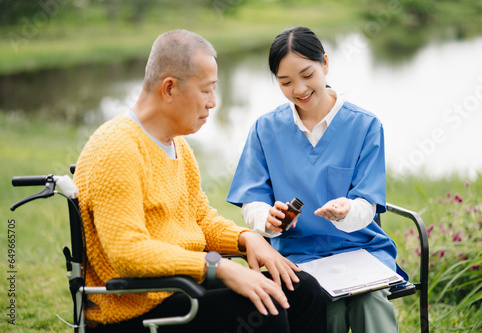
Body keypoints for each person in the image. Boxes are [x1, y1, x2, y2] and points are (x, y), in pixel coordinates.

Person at [73, 29, 326, 333]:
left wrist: (246, 239)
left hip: (181, 290)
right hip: (135, 309)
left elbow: (201, 220)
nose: (213, 102)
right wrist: (220, 268)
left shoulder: (178, 146)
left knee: (303, 290)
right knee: (265, 310)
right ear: (169, 89)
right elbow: (128, 252)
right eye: (206, 90)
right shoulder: (116, 148)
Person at [226, 26, 407, 333]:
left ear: (325, 63)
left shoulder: (364, 126)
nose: (299, 89)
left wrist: (347, 211)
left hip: (360, 250)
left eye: (307, 75)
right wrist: (267, 218)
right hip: (297, 255)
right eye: (286, 82)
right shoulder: (265, 130)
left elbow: (368, 204)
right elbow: (252, 199)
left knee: (370, 302)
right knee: (327, 309)